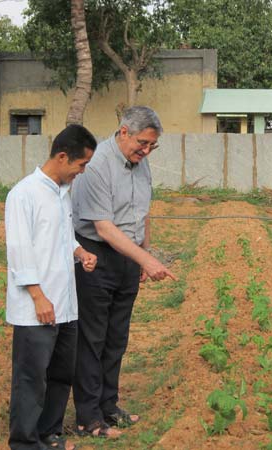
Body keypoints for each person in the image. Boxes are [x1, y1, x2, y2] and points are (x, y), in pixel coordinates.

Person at [71, 106, 177, 438]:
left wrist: (144, 253)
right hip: (96, 255)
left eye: (152, 146)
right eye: (142, 143)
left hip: (128, 256)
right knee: (93, 338)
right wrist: (147, 260)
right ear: (124, 132)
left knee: (116, 337)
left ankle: (108, 406)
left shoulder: (141, 165)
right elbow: (103, 227)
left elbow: (142, 212)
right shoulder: (97, 165)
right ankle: (88, 417)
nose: (146, 151)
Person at [5, 124, 98, 450]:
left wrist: (80, 252)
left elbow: (61, 236)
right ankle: (25, 442)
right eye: (81, 164)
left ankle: (49, 434)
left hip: (65, 303)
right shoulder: (24, 194)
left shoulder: (62, 193)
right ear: (62, 157)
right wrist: (38, 297)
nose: (81, 171)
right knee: (31, 378)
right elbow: (20, 250)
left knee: (60, 374)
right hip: (38, 307)